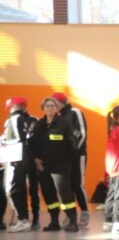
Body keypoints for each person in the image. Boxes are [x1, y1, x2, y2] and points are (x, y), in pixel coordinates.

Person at [32, 96, 80, 232]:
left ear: (57, 108)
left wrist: (66, 161)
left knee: (65, 194)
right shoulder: (39, 125)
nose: (50, 108)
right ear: (43, 109)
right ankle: (54, 222)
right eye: (47, 106)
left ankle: (72, 221)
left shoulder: (64, 123)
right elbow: (34, 144)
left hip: (60, 166)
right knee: (48, 194)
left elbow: (72, 143)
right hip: (43, 166)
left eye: (52, 105)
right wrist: (36, 159)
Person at [52, 92, 89, 226]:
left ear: (59, 102)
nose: (52, 106)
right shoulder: (57, 117)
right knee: (65, 187)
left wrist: (73, 151)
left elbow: (82, 134)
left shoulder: (75, 112)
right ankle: (70, 214)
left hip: (77, 155)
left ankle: (84, 212)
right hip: (64, 158)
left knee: (78, 184)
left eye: (53, 103)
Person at [3, 97, 37, 232]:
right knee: (25, 188)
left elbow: (17, 139)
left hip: (17, 157)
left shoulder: (13, 119)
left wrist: (4, 143)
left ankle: (22, 219)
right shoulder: (32, 119)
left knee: (13, 188)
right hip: (28, 157)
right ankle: (30, 219)